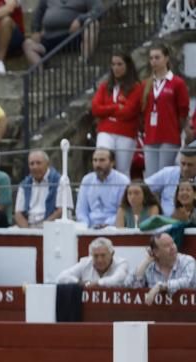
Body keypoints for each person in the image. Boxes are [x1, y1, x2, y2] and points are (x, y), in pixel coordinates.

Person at [140, 43, 189, 178]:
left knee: (164, 176)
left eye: (157, 57)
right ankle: (154, 200)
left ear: (166, 58)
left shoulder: (177, 83)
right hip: (150, 135)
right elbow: (142, 110)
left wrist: (177, 128)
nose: (154, 61)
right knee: (150, 178)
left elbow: (183, 110)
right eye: (151, 58)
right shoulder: (146, 84)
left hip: (169, 135)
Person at [91, 51, 142, 177]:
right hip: (105, 130)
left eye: (120, 64)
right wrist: (115, 107)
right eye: (113, 64)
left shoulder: (136, 87)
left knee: (122, 171)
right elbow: (95, 109)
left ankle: (123, 196)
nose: (116, 68)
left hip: (126, 133)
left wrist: (107, 111)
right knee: (102, 163)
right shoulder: (105, 86)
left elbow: (128, 112)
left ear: (127, 66)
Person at [23, 0, 101, 66]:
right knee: (27, 44)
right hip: (50, 39)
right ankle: (40, 74)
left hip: (74, 37)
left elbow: (98, 10)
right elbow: (38, 13)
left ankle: (83, 62)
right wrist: (35, 30)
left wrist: (80, 19)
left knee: (92, 23)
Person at [130, 232, 196, 304]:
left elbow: (188, 282)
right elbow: (132, 285)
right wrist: (147, 260)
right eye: (166, 245)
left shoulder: (187, 261)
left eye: (173, 243)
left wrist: (160, 286)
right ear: (156, 252)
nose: (172, 247)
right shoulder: (149, 267)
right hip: (156, 314)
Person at [76, 148, 129, 228]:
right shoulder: (87, 180)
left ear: (112, 162)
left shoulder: (122, 181)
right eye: (95, 160)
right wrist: (85, 225)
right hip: (90, 227)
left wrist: (106, 224)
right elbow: (81, 210)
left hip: (113, 226)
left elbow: (124, 211)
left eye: (102, 160)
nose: (97, 164)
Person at [14, 150, 61, 228]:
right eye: (32, 164)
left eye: (38, 163)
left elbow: (61, 211)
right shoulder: (24, 184)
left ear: (47, 164)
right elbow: (18, 214)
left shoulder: (59, 180)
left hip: (51, 227)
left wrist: (44, 229)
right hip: (29, 227)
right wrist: (28, 233)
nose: (35, 167)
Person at [55, 236, 129, 286]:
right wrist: (79, 283)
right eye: (96, 256)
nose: (99, 260)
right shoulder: (85, 262)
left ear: (112, 254)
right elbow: (61, 277)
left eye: (103, 255)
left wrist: (96, 283)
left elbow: (117, 279)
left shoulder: (121, 263)